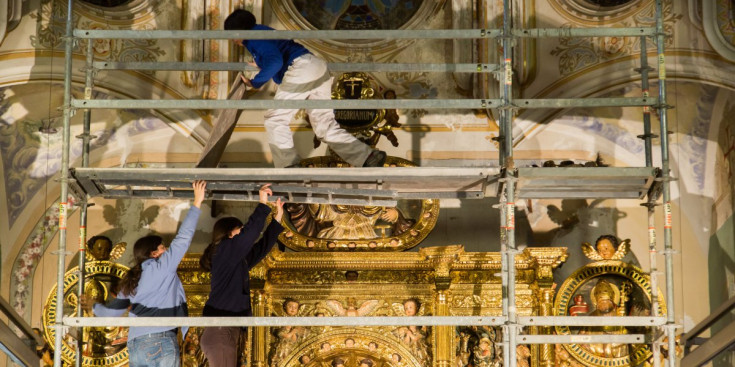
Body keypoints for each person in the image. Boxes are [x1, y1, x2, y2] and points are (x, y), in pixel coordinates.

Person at [224, 9, 387, 168]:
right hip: (316, 67)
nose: (233, 41)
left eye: (231, 36)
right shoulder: (261, 33)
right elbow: (276, 54)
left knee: (275, 118)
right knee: (324, 125)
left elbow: (275, 62)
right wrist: (262, 64)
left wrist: (255, 83)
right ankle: (368, 156)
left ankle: (288, 165)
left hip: (301, 68)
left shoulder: (253, 36)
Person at [80, 180, 207, 367]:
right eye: (163, 248)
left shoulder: (131, 278)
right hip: (161, 340)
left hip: (136, 344)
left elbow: (112, 313)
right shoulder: (162, 266)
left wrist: (93, 306)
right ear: (153, 253)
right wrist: (197, 202)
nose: (167, 251)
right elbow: (183, 238)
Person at [199, 183, 285, 367]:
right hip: (221, 330)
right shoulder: (223, 250)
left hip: (227, 330)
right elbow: (249, 235)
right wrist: (262, 204)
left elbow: (260, 248)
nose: (242, 235)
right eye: (239, 230)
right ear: (230, 234)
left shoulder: (235, 260)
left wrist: (276, 219)